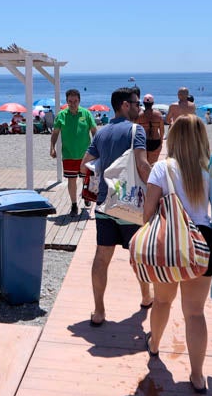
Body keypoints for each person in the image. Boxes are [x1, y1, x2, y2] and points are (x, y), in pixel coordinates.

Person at [143, 114, 212, 394]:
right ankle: (197, 375)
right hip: (202, 242)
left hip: (170, 243)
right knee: (194, 313)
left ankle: (154, 344)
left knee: (162, 302)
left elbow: (147, 213)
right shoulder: (211, 168)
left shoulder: (162, 168)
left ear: (175, 139)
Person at [81, 87, 152, 325]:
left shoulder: (101, 133)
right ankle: (145, 297)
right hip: (130, 203)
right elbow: (142, 166)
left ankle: (99, 311)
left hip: (104, 204)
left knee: (102, 257)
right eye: (136, 103)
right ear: (124, 105)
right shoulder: (136, 131)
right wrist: (158, 187)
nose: (139, 107)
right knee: (139, 256)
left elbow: (85, 166)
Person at [50, 88, 97, 216]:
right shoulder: (61, 115)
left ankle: (86, 197)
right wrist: (52, 147)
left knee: (85, 179)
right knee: (72, 180)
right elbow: (55, 133)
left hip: (85, 155)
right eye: (70, 101)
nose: (73, 104)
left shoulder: (86, 114)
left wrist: (97, 148)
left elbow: (94, 131)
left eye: (75, 101)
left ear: (79, 101)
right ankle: (74, 205)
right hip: (69, 154)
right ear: (67, 101)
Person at [137, 93, 165, 165]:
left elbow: (136, 131)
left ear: (143, 103)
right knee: (153, 165)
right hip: (156, 141)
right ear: (153, 103)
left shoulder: (139, 116)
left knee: (144, 165)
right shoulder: (158, 115)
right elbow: (162, 130)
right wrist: (161, 142)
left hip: (144, 141)